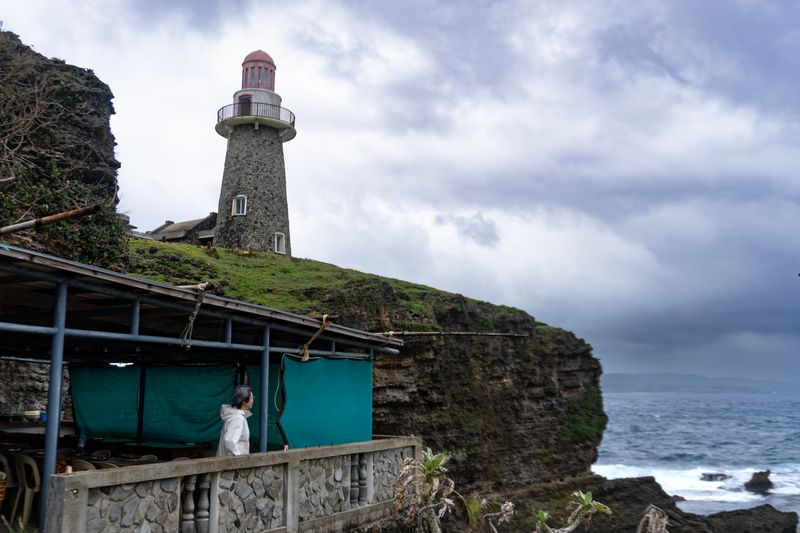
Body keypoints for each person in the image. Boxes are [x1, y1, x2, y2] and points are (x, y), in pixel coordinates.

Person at [217, 384, 254, 456]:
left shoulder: (236, 416)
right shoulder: (237, 418)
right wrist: (239, 458)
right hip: (232, 462)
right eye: (252, 398)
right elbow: (230, 441)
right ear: (244, 401)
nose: (253, 400)